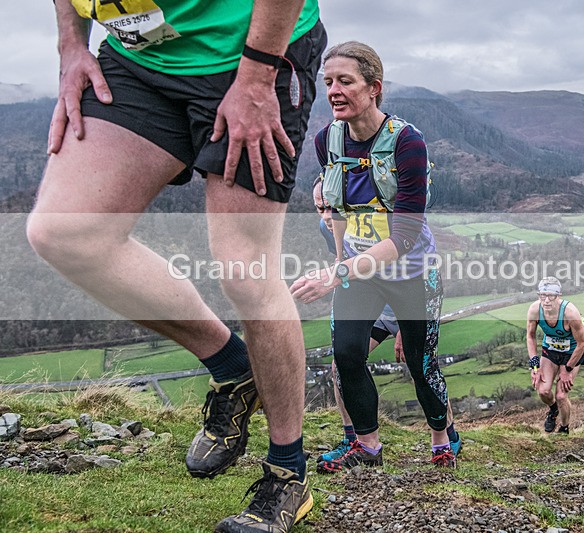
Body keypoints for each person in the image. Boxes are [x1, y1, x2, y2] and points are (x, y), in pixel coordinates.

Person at [27, 2, 326, 531]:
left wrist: (258, 75)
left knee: (245, 269)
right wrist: (69, 46)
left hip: (246, 54)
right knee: (65, 233)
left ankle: (288, 472)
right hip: (139, 61)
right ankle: (234, 369)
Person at [290, 41, 459, 471]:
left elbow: (404, 236)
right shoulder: (326, 140)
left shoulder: (407, 143)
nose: (333, 91)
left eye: (345, 81)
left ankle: (443, 436)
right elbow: (337, 208)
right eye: (328, 82)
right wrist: (340, 261)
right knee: (346, 354)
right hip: (360, 270)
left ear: (373, 88)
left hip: (412, 272)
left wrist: (339, 271)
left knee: (421, 365)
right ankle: (366, 445)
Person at [310, 178, 462, 466]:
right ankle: (353, 438)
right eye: (320, 208)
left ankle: (447, 436)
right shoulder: (328, 227)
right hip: (375, 303)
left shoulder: (386, 221)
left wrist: (406, 328)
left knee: (422, 365)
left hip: (410, 295)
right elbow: (350, 266)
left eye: (332, 207)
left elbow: (414, 262)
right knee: (341, 363)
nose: (327, 216)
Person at [527, 277, 584, 434]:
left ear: (558, 295)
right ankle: (553, 410)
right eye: (542, 295)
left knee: (561, 395)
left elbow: (582, 344)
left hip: (572, 353)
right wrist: (534, 365)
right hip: (551, 351)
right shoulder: (535, 310)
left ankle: (564, 427)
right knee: (543, 391)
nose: (546, 300)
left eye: (551, 296)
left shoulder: (570, 313)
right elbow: (530, 336)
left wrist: (567, 369)